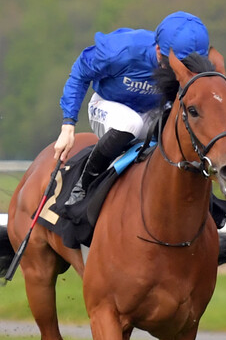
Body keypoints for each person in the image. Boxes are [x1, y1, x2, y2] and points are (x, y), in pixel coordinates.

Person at [53, 11, 210, 205]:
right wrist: (68, 126)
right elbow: (80, 73)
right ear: (159, 50)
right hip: (108, 105)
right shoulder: (121, 51)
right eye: (174, 66)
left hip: (153, 111)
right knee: (131, 123)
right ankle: (82, 187)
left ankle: (207, 200)